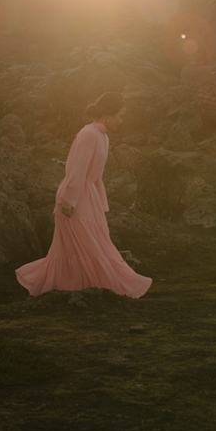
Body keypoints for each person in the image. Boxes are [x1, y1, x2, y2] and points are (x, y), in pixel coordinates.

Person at [16, 91, 151, 298]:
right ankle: (83, 286)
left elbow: (93, 175)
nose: (122, 120)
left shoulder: (102, 136)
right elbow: (77, 170)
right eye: (120, 115)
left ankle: (83, 286)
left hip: (88, 196)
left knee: (92, 245)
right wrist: (69, 200)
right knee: (83, 246)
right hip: (76, 198)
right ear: (108, 114)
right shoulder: (89, 134)